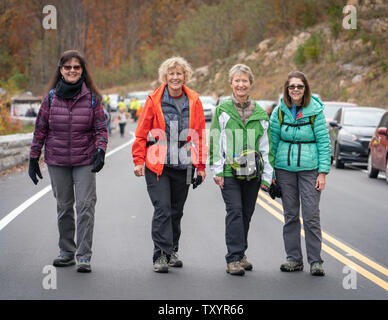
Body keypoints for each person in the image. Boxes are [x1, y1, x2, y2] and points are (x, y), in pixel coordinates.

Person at [28, 50, 108, 273]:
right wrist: (34, 156)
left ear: (82, 71)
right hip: (58, 160)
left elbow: (101, 128)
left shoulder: (92, 98)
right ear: (61, 70)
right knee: (64, 208)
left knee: (85, 207)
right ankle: (66, 251)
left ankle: (84, 256)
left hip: (85, 160)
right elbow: (40, 129)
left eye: (76, 67)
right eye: (67, 67)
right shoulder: (51, 98)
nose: (72, 70)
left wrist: (101, 150)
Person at [132, 56, 207, 273]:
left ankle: (172, 249)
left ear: (185, 76)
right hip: (157, 163)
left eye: (179, 74)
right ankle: (160, 255)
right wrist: (138, 160)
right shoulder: (153, 99)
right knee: (162, 208)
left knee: (176, 211)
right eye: (171, 74)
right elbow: (141, 133)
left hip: (184, 163)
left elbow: (200, 135)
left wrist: (201, 166)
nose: (175, 77)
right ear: (165, 77)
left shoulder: (194, 100)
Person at [209, 64, 274, 276]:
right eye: (237, 80)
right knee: (235, 211)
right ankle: (233, 258)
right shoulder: (223, 110)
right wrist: (217, 170)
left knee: (246, 213)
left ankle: (241, 253)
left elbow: (266, 147)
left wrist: (267, 176)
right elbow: (215, 140)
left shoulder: (260, 114)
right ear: (231, 84)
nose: (240, 84)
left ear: (250, 84)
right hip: (229, 171)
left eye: (244, 80)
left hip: (253, 173)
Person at [269, 71, 330, 276]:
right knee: (290, 215)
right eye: (292, 86)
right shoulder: (279, 111)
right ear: (287, 89)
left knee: (311, 216)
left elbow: (323, 142)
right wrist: (272, 172)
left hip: (310, 170)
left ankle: (316, 261)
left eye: (299, 86)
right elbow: (273, 142)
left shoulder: (315, 111)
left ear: (305, 89)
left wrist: (322, 173)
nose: (295, 90)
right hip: (284, 170)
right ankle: (294, 259)